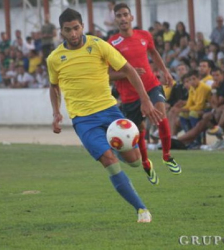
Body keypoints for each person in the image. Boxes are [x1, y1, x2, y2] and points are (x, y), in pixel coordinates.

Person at [47, 8, 162, 223]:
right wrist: (56, 113)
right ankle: (141, 209)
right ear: (61, 31)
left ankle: (124, 152)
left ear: (82, 26)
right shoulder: (54, 58)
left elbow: (128, 70)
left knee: (134, 161)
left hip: (110, 112)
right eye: (67, 30)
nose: (72, 34)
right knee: (108, 160)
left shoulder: (98, 45)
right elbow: (54, 87)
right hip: (84, 120)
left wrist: (145, 99)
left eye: (76, 28)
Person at [108, 3, 182, 186]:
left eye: (126, 14)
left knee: (160, 111)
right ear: (115, 20)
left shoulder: (145, 36)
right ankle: (146, 163)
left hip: (151, 84)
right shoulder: (112, 44)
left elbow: (154, 52)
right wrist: (128, 72)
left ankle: (167, 156)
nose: (123, 18)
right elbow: (107, 74)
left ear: (132, 17)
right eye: (119, 16)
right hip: (130, 95)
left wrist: (165, 71)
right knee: (139, 130)